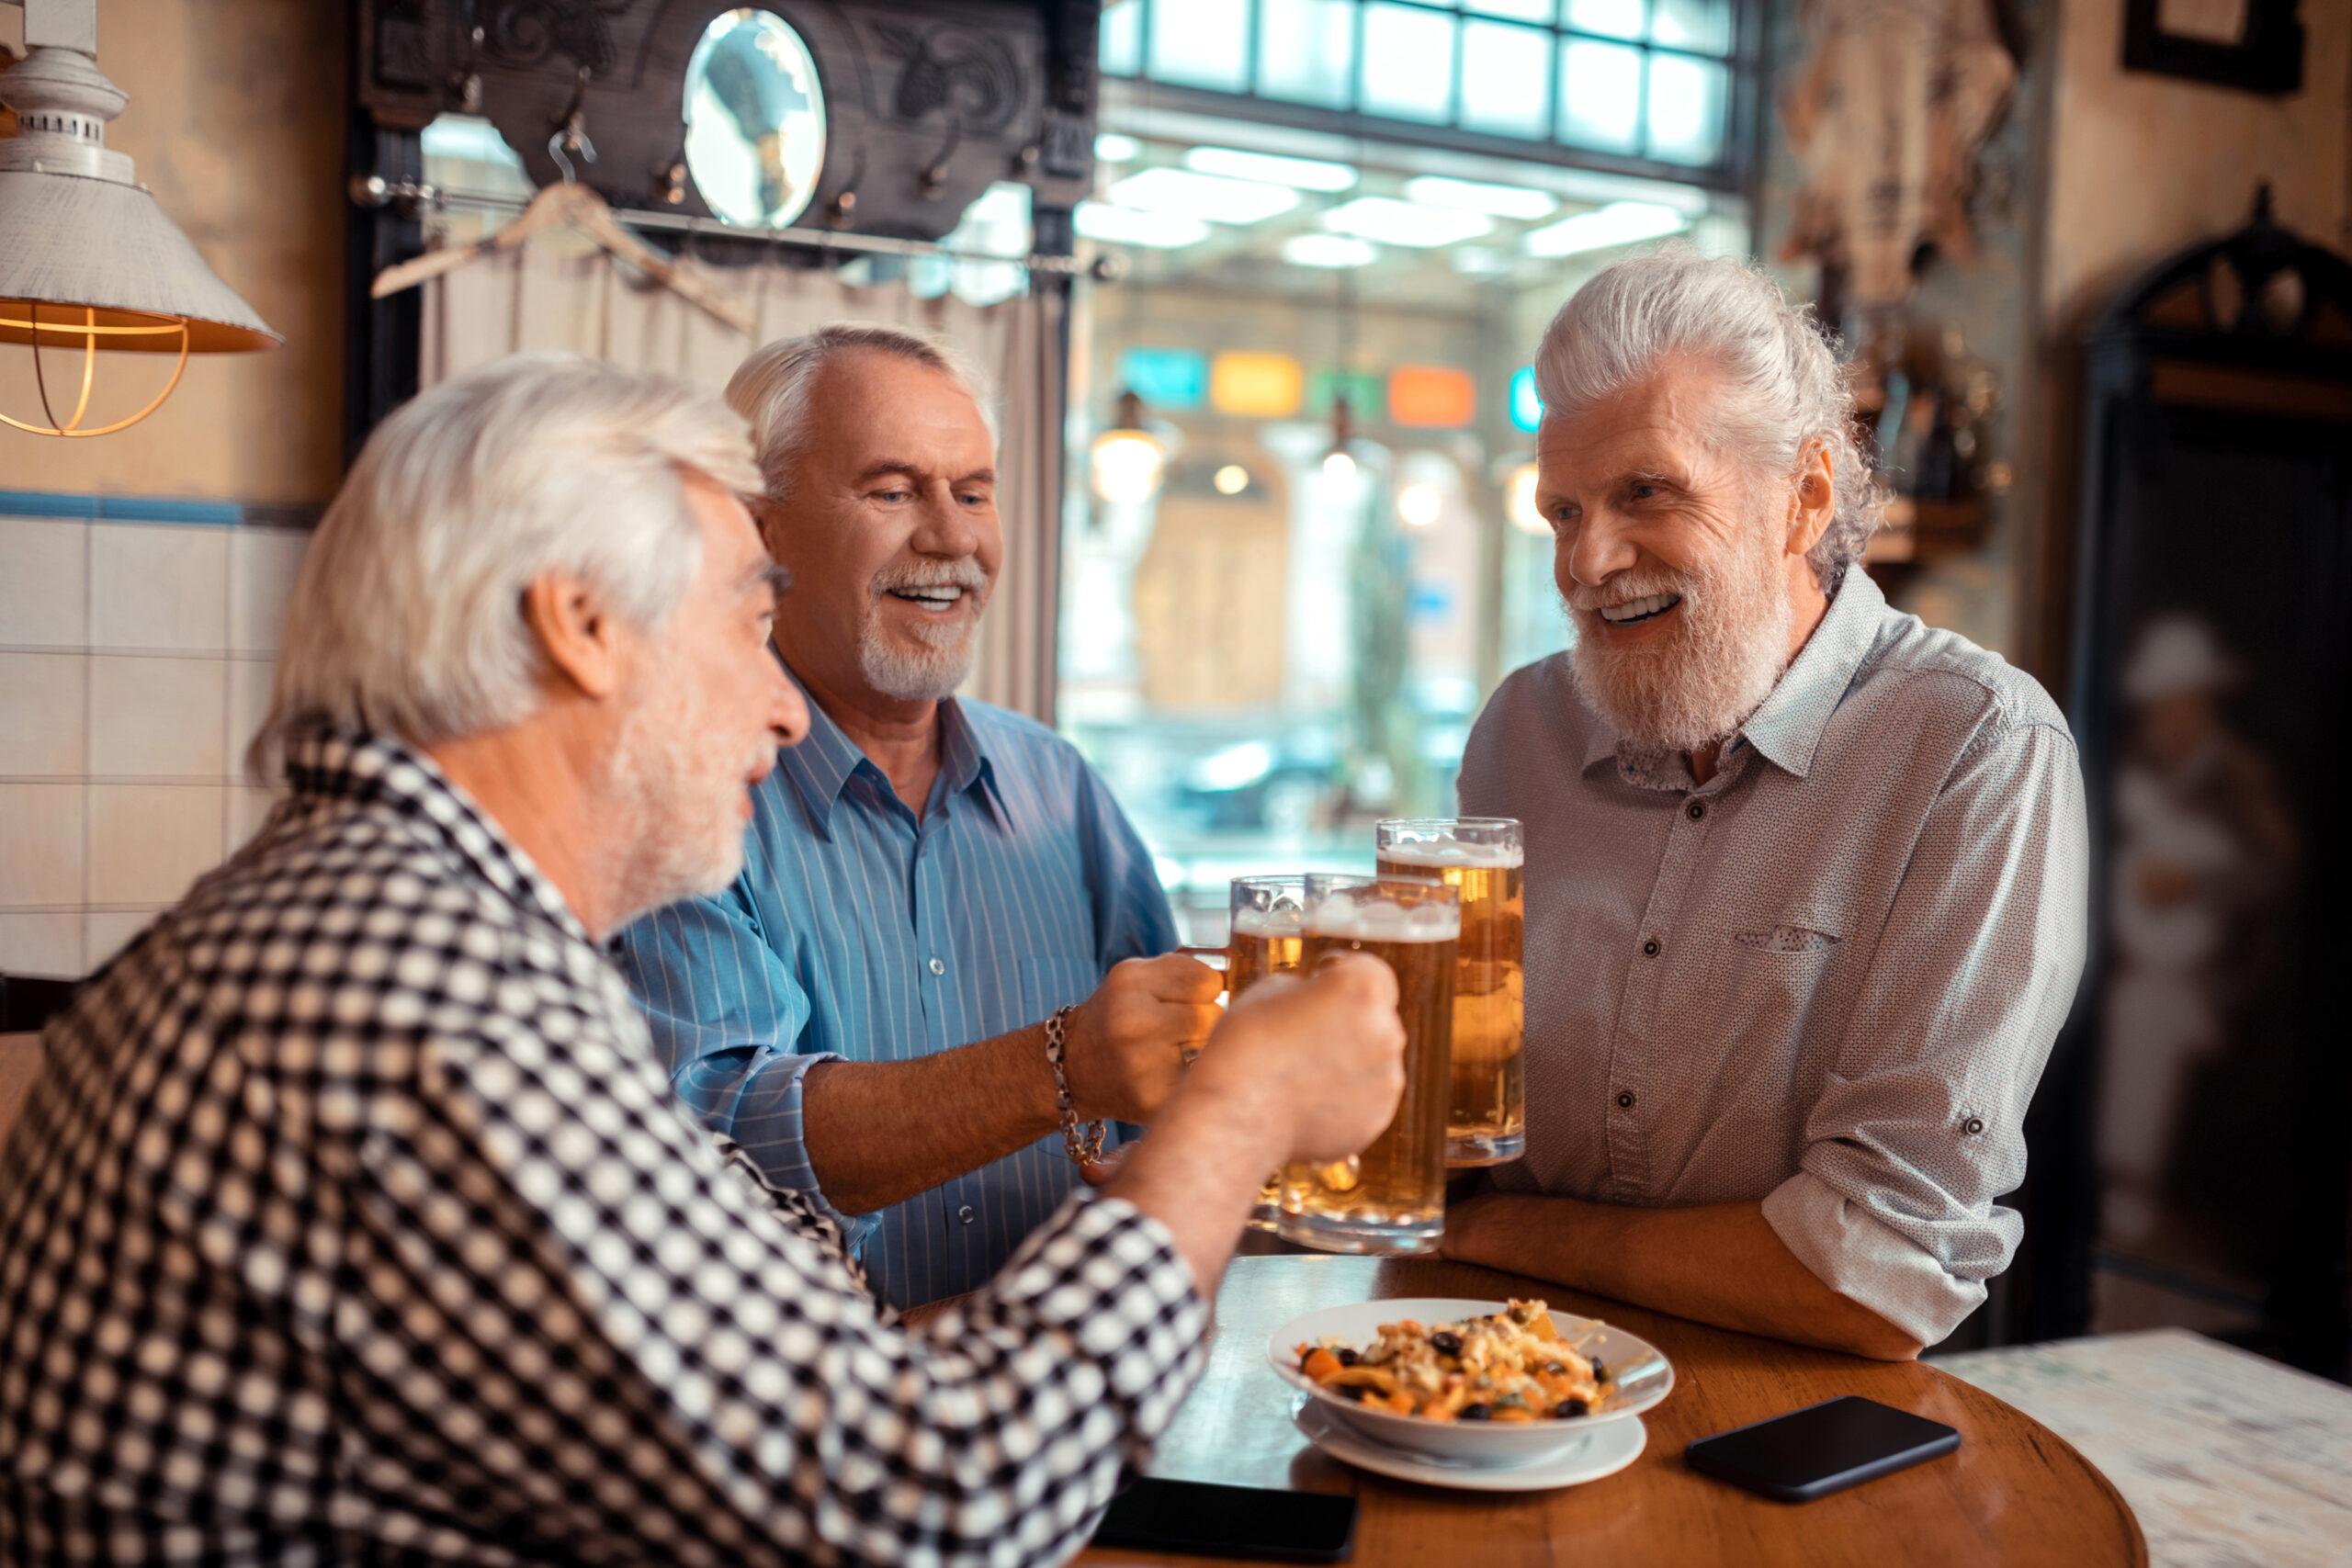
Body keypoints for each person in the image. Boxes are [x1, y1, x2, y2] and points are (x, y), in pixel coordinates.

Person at [0, 355, 1407, 1563]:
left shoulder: (390, 922)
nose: (783, 709)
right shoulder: (407, 991)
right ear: (583, 623)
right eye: (747, 615)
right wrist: (1240, 1113)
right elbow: (936, 1507)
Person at [1450, 251, 2088, 1359]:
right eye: (1561, 510)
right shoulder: (1522, 732)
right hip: (1496, 1395)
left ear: (1802, 500)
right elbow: (1459, 1132)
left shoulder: (1975, 744)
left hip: (1793, 1434)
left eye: (1645, 492)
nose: (1586, 561)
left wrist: (1508, 1235)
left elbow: (1875, 1274)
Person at [616, 325, 1220, 1311]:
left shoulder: (1057, 787)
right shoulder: (684, 794)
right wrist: (1063, 1066)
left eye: (972, 492)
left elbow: (1174, 1093)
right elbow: (717, 1130)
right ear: (759, 530)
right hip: (825, 1435)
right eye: (892, 491)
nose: (951, 539)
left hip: (1090, 1417)